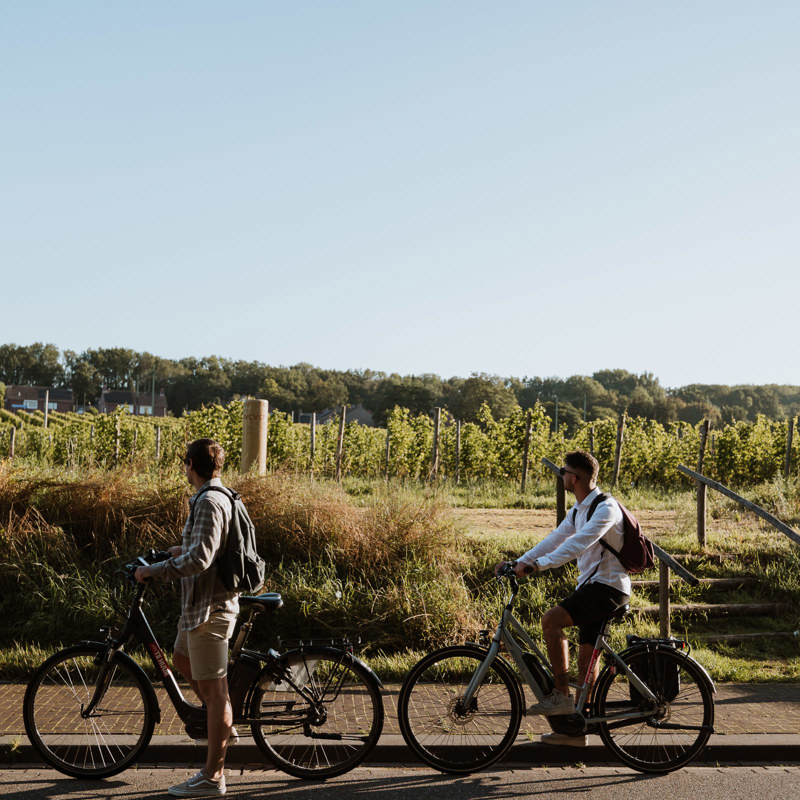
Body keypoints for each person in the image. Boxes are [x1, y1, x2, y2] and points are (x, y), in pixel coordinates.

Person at [496, 450, 630, 747]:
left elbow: (577, 544)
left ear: (575, 477)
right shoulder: (578, 509)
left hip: (608, 587)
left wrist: (538, 565)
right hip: (593, 587)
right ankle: (574, 729)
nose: (561, 476)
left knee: (551, 620)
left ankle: (560, 695)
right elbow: (556, 538)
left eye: (563, 471)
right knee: (585, 661)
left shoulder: (606, 508)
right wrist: (519, 561)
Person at [136, 438, 239, 797]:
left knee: (214, 694)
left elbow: (201, 560)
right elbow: (202, 549)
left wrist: (157, 570)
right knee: (180, 659)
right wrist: (177, 550)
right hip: (196, 607)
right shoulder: (214, 496)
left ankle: (213, 777)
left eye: (185, 463)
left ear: (191, 465)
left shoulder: (210, 501)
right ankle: (221, 726)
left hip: (210, 608)